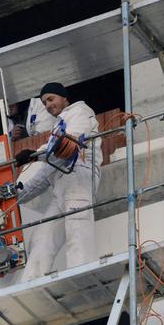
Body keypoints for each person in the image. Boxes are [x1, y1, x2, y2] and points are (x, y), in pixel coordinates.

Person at [12, 82, 102, 278]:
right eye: (44, 102)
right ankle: (31, 284)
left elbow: (70, 143)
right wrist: (15, 196)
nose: (48, 105)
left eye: (51, 99)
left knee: (77, 227)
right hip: (61, 185)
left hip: (78, 179)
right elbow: (46, 172)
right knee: (43, 238)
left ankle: (82, 276)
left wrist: (34, 154)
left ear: (64, 97)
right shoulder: (57, 127)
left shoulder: (79, 111)